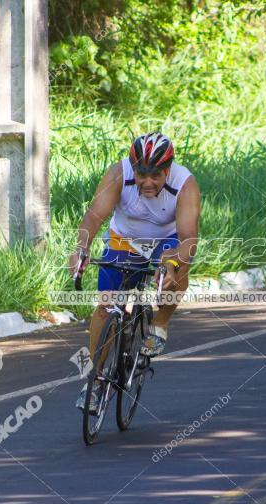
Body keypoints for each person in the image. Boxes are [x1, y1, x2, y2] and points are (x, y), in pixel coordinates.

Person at [69, 132, 201, 411]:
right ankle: (96, 380)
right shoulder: (119, 174)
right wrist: (82, 248)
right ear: (133, 169)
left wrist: (171, 263)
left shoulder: (185, 184)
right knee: (105, 308)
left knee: (176, 270)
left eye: (155, 175)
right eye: (142, 174)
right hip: (124, 240)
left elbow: (189, 239)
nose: (148, 182)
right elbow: (94, 216)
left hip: (166, 243)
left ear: (167, 170)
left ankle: (160, 324)